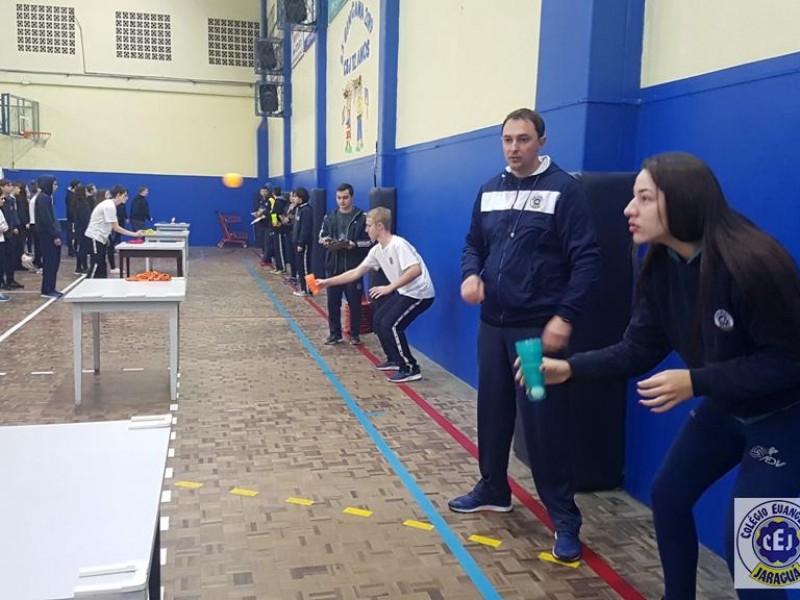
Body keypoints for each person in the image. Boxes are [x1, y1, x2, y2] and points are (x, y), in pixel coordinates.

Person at [518, 152, 800, 600]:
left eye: (644, 198)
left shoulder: (754, 262)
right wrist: (570, 368)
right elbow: (637, 349)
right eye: (633, 197)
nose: (629, 209)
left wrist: (696, 381)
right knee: (668, 496)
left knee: (753, 545)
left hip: (786, 417)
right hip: (727, 406)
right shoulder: (661, 266)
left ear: (683, 200)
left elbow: (788, 363)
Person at [450, 108, 601, 564]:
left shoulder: (564, 191)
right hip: (492, 328)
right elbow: (473, 244)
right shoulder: (490, 189)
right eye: (507, 139)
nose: (514, 148)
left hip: (535, 335)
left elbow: (587, 258)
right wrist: (471, 274)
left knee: (542, 421)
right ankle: (494, 488)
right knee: (493, 411)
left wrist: (565, 316)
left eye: (523, 139)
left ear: (541, 141)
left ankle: (564, 518)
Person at [317, 207, 435, 382]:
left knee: (391, 325)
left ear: (380, 226)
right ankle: (394, 359)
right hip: (405, 292)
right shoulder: (377, 250)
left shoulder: (398, 244)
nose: (366, 230)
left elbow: (415, 270)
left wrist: (389, 288)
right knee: (378, 320)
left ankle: (410, 368)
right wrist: (326, 282)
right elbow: (355, 272)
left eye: (369, 226)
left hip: (420, 294)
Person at [318, 183, 372, 345]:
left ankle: (355, 334)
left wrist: (354, 244)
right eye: (339, 198)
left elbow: (370, 241)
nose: (342, 201)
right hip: (333, 267)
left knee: (355, 303)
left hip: (353, 268)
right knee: (332, 302)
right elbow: (321, 236)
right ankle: (335, 334)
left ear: (352, 197)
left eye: (345, 198)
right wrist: (326, 240)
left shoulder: (362, 217)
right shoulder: (329, 217)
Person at [85, 185, 145, 278]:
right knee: (96, 264)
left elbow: (109, 225)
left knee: (102, 266)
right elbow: (116, 227)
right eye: (125, 195)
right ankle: (88, 284)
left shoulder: (111, 205)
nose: (127, 198)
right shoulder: (109, 206)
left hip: (101, 239)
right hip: (95, 237)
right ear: (118, 195)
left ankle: (101, 284)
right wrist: (135, 234)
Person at [34, 175, 64, 298]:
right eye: (54, 184)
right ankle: (47, 289)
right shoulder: (43, 198)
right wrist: (54, 235)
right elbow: (46, 219)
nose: (56, 187)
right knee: (50, 263)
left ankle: (51, 287)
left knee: (54, 263)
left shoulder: (47, 197)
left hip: (50, 234)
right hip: (47, 236)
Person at [290, 187, 313, 297]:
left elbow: (305, 229)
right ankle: (309, 288)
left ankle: (307, 289)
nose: (293, 199)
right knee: (300, 267)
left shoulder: (306, 210)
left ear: (301, 198)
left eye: (295, 197)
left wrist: (301, 243)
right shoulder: (299, 209)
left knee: (305, 267)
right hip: (297, 242)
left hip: (304, 244)